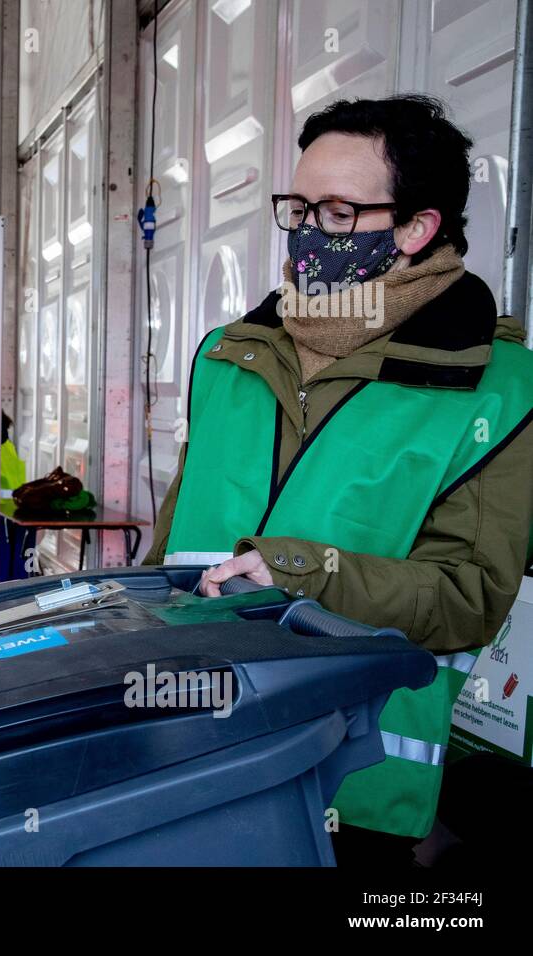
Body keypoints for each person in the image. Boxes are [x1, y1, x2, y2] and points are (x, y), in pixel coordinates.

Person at [143, 95, 533, 865]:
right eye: (298, 207)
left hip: (345, 787)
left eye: (337, 212)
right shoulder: (228, 354)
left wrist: (300, 572)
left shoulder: (498, 388)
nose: (307, 233)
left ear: (418, 228)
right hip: (186, 753)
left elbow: (467, 598)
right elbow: (168, 549)